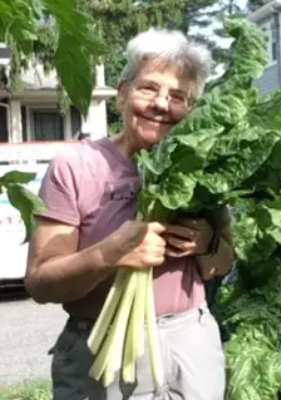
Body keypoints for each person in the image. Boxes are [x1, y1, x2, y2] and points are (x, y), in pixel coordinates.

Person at [25, 28, 234, 400]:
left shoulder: (205, 170)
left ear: (191, 108)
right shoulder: (75, 166)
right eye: (149, 88)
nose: (161, 104)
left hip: (191, 343)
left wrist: (207, 243)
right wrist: (109, 255)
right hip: (106, 345)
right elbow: (41, 283)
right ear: (122, 94)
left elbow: (224, 261)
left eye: (178, 96)